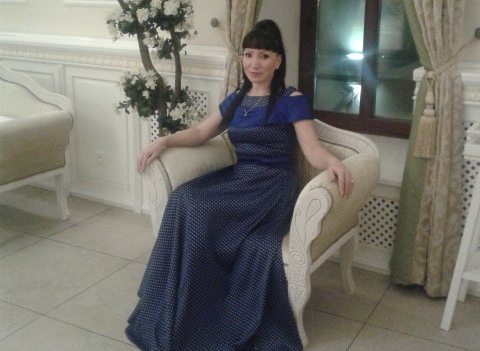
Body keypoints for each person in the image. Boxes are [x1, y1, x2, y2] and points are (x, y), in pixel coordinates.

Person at [126, 19, 353, 351]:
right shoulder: (237, 98)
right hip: (240, 178)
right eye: (248, 55)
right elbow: (201, 133)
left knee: (201, 210)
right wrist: (163, 141)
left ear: (278, 60)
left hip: (272, 186)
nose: (254, 63)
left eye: (264, 55)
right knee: (183, 198)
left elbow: (312, 149)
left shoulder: (291, 98)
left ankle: (208, 306)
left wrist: (333, 162)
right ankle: (181, 299)